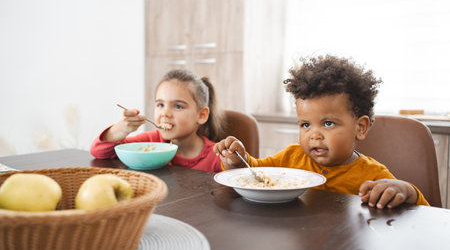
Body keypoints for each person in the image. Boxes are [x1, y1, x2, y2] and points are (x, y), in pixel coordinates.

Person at [214, 54, 429, 208]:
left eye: (328, 123)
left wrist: (404, 190)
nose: (314, 135)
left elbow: (423, 210)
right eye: (305, 125)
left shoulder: (372, 174)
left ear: (360, 127)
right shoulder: (291, 156)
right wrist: (237, 161)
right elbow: (257, 174)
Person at [91, 69, 224, 172]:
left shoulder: (216, 156)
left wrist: (233, 161)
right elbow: (98, 151)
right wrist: (122, 128)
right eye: (160, 105)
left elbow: (238, 174)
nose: (165, 113)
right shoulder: (149, 143)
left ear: (201, 115)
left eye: (178, 106)